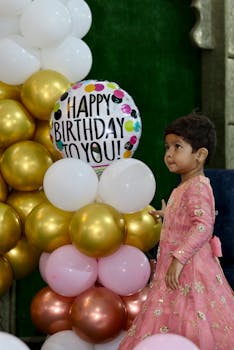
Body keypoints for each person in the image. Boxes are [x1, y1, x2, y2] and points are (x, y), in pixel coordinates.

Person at [118, 112, 234, 350]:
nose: (169, 154)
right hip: (173, 268)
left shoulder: (198, 186)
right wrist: (168, 214)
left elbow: (202, 227)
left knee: (192, 313)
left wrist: (179, 259)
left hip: (189, 269)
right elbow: (191, 218)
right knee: (171, 313)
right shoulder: (184, 186)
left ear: (200, 155)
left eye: (177, 147)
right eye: (167, 147)